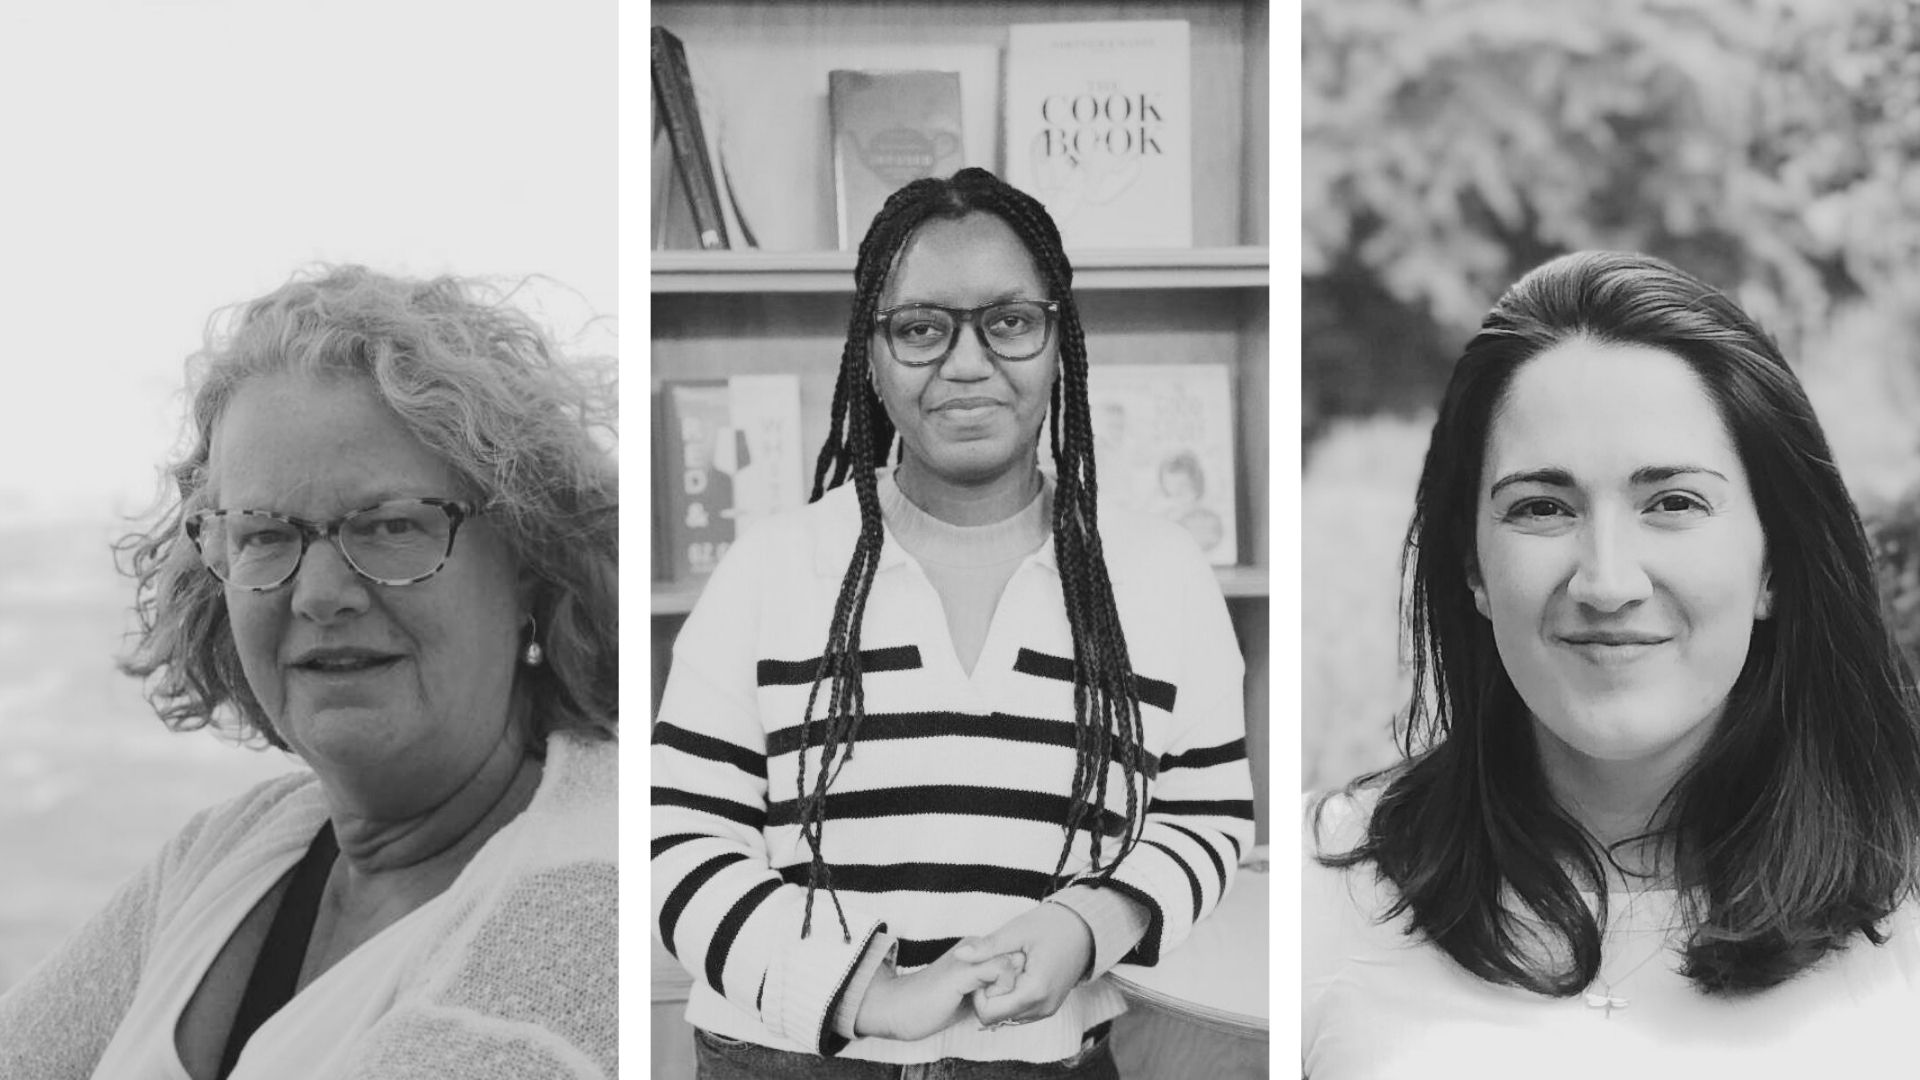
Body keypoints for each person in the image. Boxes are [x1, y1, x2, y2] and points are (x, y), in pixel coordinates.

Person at [652, 167, 1255, 1078]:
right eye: (922, 328)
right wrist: (867, 994)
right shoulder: (770, 570)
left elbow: (1206, 817)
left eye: (1008, 322)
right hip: (785, 1060)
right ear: (872, 355)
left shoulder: (1160, 574)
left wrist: (1090, 924)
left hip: (1044, 1062)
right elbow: (684, 837)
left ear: (1059, 341)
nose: (967, 364)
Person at [1303, 250, 1920, 1076]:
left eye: (1672, 503)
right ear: (1473, 570)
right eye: (1541, 507)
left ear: (1775, 562)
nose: (1607, 582)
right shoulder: (1322, 895)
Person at [0, 266, 618, 1079]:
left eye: (392, 525)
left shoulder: (578, 918)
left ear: (530, 565)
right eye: (262, 535)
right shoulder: (230, 855)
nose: (320, 595)